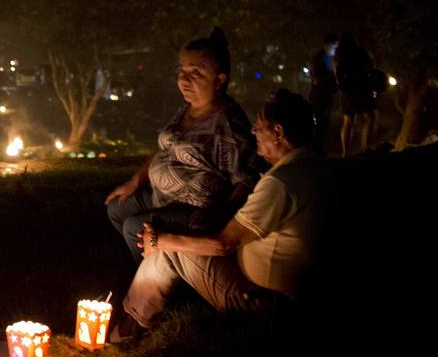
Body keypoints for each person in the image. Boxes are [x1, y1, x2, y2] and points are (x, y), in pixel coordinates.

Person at [112, 89, 331, 338]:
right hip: (295, 294)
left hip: (263, 302)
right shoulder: (313, 167)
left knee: (171, 246)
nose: (253, 130)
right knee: (176, 240)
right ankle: (144, 315)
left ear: (278, 132)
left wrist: (158, 241)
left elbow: (224, 244)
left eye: (259, 124)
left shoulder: (282, 182)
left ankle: (129, 329)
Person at [105, 28, 258, 263]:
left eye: (195, 73)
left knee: (133, 226)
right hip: (162, 196)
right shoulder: (189, 108)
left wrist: (218, 211)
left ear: (219, 80)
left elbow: (246, 180)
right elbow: (167, 148)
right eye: (181, 71)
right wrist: (135, 181)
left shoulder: (228, 124)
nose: (184, 80)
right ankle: (152, 261)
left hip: (192, 207)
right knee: (117, 207)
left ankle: (152, 284)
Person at [335, 32, 376, 156]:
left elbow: (336, 73)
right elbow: (370, 65)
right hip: (361, 88)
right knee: (369, 118)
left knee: (348, 121)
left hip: (347, 91)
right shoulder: (360, 51)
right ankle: (365, 148)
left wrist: (342, 86)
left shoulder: (339, 55)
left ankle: (345, 152)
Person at [307, 32, 339, 151]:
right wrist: (333, 76)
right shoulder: (318, 58)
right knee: (319, 123)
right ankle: (315, 149)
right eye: (334, 47)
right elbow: (316, 79)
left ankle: (318, 149)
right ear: (327, 45)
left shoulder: (330, 58)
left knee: (324, 124)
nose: (335, 49)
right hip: (319, 95)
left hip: (327, 95)